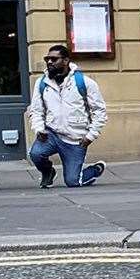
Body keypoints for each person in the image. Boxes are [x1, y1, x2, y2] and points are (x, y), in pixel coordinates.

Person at [26, 45, 108, 188]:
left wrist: (90, 136)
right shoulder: (42, 83)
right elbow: (36, 110)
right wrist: (39, 130)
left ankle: (96, 169)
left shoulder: (84, 82)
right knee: (36, 154)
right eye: (47, 59)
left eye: (54, 59)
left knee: (73, 182)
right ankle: (48, 172)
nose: (49, 62)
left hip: (75, 139)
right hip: (52, 134)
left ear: (65, 61)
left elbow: (99, 111)